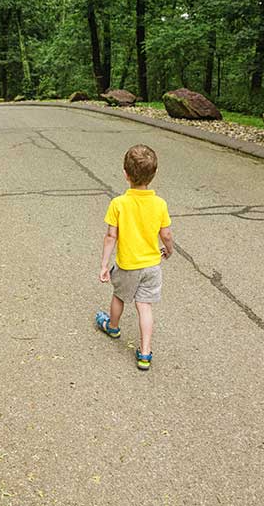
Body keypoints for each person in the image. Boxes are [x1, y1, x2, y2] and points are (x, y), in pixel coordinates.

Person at [96, 144, 174, 370]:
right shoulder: (159, 204)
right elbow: (166, 234)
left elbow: (111, 236)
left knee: (119, 296)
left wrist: (104, 264)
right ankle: (145, 353)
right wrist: (169, 250)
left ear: (125, 174)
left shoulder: (119, 203)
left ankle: (112, 326)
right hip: (152, 266)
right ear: (153, 175)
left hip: (128, 265)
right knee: (145, 306)